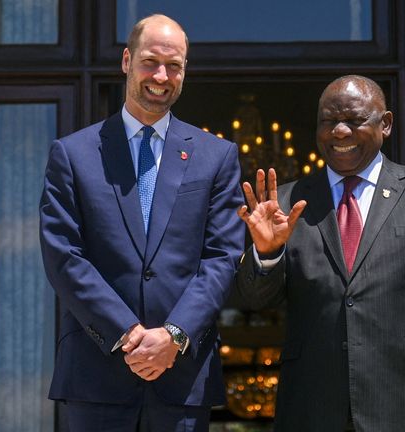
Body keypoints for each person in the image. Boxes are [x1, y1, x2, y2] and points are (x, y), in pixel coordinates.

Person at [233, 75, 405, 432]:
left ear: (385, 124)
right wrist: (267, 253)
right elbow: (255, 300)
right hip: (313, 405)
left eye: (353, 120)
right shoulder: (288, 203)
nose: (339, 131)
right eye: (328, 121)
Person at [39, 14, 244, 431]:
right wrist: (128, 334)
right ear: (127, 60)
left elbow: (222, 257)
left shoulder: (216, 157)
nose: (162, 76)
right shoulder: (73, 154)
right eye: (151, 61)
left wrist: (173, 335)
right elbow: (64, 256)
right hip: (97, 377)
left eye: (175, 66)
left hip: (182, 378)